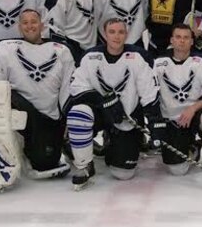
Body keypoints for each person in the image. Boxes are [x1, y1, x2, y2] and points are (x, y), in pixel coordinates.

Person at [0, 9, 76, 190]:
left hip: (48, 117)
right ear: (19, 27)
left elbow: (68, 90)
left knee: (45, 164)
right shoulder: (5, 48)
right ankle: (3, 154)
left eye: (34, 22)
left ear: (42, 25)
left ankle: (37, 148)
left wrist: (67, 120)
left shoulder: (62, 51)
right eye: (25, 22)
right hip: (18, 110)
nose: (30, 26)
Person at [65, 18, 160, 189]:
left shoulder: (138, 57)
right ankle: (83, 165)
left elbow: (148, 91)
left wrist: (154, 122)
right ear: (104, 34)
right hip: (99, 113)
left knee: (123, 173)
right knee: (78, 112)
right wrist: (103, 101)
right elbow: (76, 87)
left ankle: (114, 143)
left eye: (121, 32)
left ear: (126, 34)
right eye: (112, 32)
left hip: (126, 117)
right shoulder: (90, 56)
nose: (117, 36)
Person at [150, 24, 202, 185]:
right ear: (172, 40)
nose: (182, 41)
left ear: (192, 41)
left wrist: (193, 108)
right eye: (178, 37)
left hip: (194, 117)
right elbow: (148, 94)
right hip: (171, 121)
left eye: (186, 38)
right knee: (177, 169)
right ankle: (193, 147)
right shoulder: (158, 63)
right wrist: (155, 120)